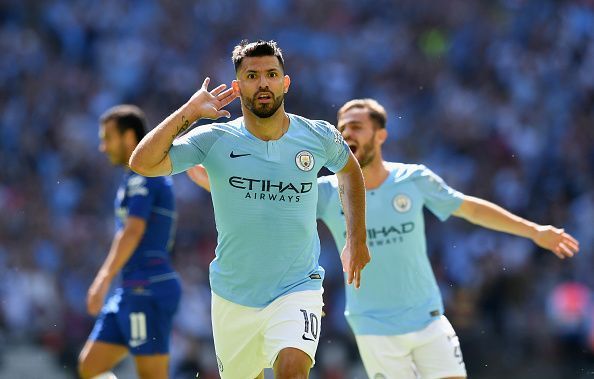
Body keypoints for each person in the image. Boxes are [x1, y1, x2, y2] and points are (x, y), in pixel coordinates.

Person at [187, 98, 580, 379]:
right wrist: (207, 165)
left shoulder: (414, 179)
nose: (347, 133)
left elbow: (469, 208)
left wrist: (535, 231)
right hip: (373, 326)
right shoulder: (324, 190)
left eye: (357, 126)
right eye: (342, 127)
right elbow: (257, 201)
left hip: (427, 318)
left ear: (381, 135)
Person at [128, 40, 370, 379]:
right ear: (239, 86)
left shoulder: (318, 136)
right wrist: (189, 113)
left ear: (286, 82)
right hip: (233, 297)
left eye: (272, 74)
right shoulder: (215, 139)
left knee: (292, 370)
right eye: (252, 75)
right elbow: (142, 162)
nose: (263, 83)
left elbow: (349, 170)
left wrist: (356, 238)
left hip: (297, 287)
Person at [78, 105, 181, 379]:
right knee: (90, 366)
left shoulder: (147, 175)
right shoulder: (132, 178)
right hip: (129, 288)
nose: (102, 147)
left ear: (128, 138)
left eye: (107, 138)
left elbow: (133, 230)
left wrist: (103, 278)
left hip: (148, 289)